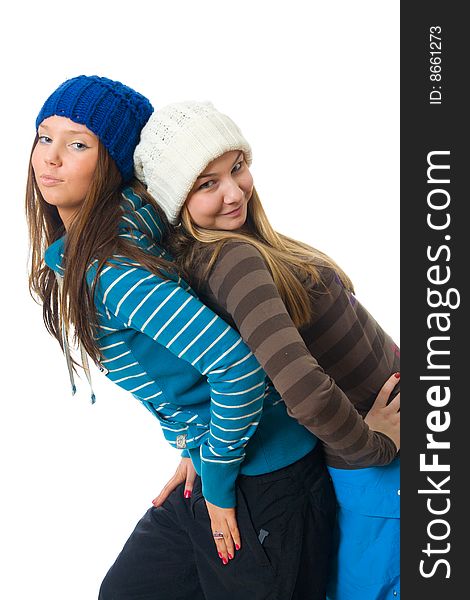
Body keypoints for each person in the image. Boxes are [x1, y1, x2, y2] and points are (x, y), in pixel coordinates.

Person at [26, 75, 348, 600]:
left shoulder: (112, 270)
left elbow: (238, 367)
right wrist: (194, 450)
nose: (51, 158)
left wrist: (217, 478)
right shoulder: (111, 239)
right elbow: (189, 365)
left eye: (78, 144)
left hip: (264, 481)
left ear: (114, 164)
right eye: (44, 137)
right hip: (219, 460)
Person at [133, 101, 401, 600]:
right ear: (175, 199)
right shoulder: (231, 258)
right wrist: (374, 446)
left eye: (237, 167)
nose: (234, 192)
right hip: (380, 471)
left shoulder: (245, 245)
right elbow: (301, 390)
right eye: (207, 184)